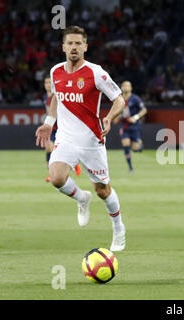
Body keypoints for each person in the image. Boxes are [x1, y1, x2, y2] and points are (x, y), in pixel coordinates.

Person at [35, 26, 126, 251]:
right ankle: (81, 199)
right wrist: (48, 124)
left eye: (78, 44)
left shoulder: (96, 73)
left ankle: (118, 228)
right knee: (56, 178)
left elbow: (119, 100)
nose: (74, 47)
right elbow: (56, 98)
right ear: (63, 47)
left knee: (103, 191)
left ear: (85, 47)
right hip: (65, 138)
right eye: (70, 43)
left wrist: (110, 118)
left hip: (91, 140)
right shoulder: (55, 71)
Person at [43, 74, 81, 182]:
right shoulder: (46, 97)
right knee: (48, 147)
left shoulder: (58, 95)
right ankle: (51, 173)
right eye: (46, 83)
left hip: (61, 126)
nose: (48, 85)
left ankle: (74, 163)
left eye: (50, 83)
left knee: (56, 149)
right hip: (52, 126)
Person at [113, 81, 147, 173]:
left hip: (134, 125)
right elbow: (117, 112)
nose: (125, 88)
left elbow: (144, 110)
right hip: (124, 125)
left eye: (127, 86)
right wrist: (116, 117)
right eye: (123, 86)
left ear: (131, 88)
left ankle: (138, 144)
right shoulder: (119, 99)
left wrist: (135, 117)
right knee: (125, 144)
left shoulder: (135, 99)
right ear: (121, 88)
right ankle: (130, 167)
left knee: (135, 148)